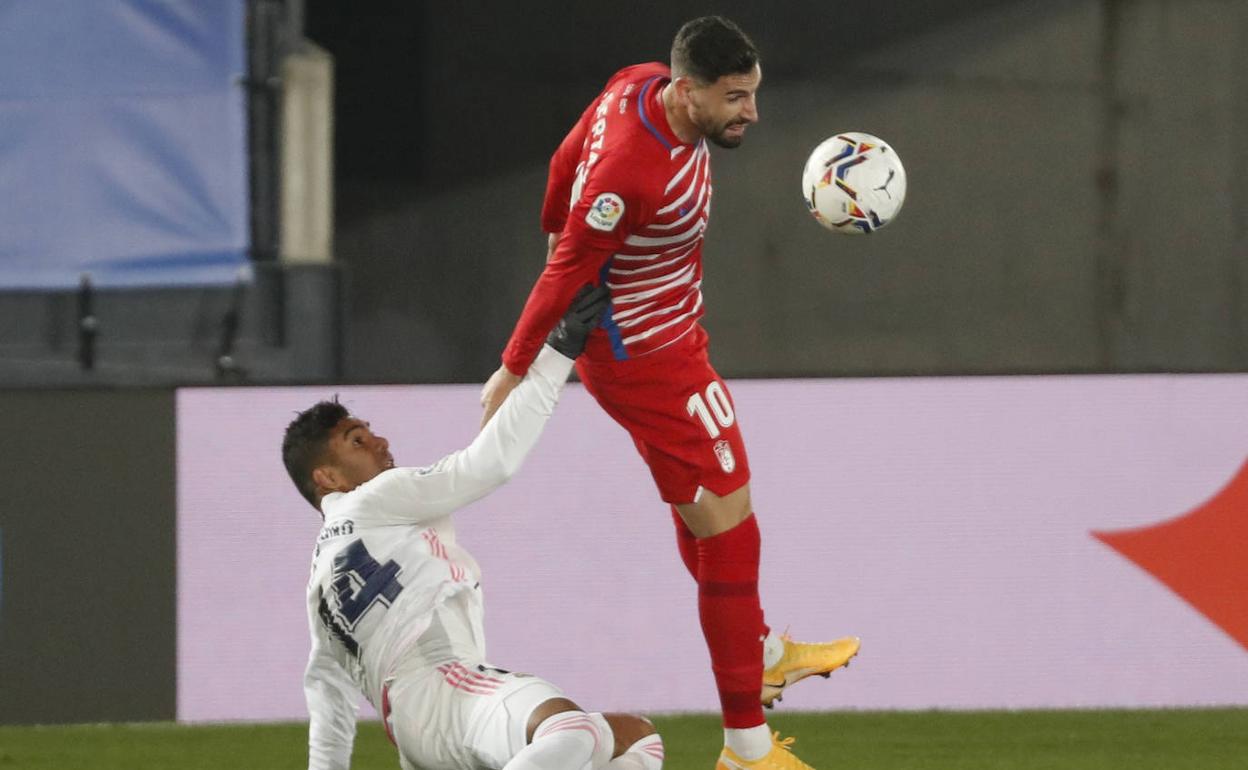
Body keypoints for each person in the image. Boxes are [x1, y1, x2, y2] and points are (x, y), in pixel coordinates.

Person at [479, 16, 860, 770]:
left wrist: (556, 222)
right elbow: (564, 272)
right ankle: (747, 748)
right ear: (688, 92)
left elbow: (563, 159)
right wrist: (513, 368)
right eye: (735, 98)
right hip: (644, 357)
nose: (750, 111)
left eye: (753, 93)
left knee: (710, 517)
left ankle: (759, 649)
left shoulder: (635, 80)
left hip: (672, 337)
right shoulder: (632, 170)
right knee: (732, 529)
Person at [285, 286, 664, 770]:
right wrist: (558, 352)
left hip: (413, 731)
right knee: (574, 728)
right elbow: (487, 465)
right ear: (328, 478)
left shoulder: (321, 582)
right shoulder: (375, 498)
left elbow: (329, 701)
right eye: (356, 440)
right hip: (445, 684)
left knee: (636, 740)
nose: (379, 441)